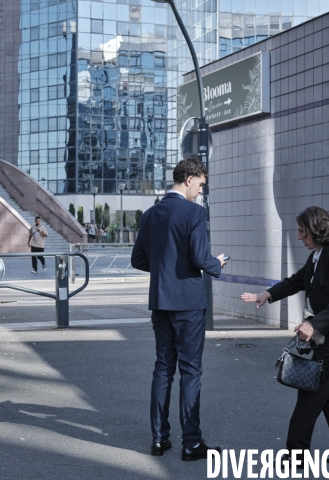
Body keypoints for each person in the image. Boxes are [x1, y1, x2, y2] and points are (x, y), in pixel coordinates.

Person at [240, 206, 329, 468]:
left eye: (302, 231)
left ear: (317, 230)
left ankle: (297, 455)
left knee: (311, 395)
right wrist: (268, 294)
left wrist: (314, 324)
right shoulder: (318, 255)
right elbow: (298, 281)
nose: (299, 237)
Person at [131, 158, 227, 461]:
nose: (200, 192)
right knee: (190, 372)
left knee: (162, 369)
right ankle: (191, 443)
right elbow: (200, 258)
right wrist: (217, 263)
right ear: (188, 179)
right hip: (188, 304)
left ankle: (158, 439)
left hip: (161, 303)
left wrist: (163, 270)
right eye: (200, 184)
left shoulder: (150, 215)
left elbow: (137, 260)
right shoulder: (194, 213)